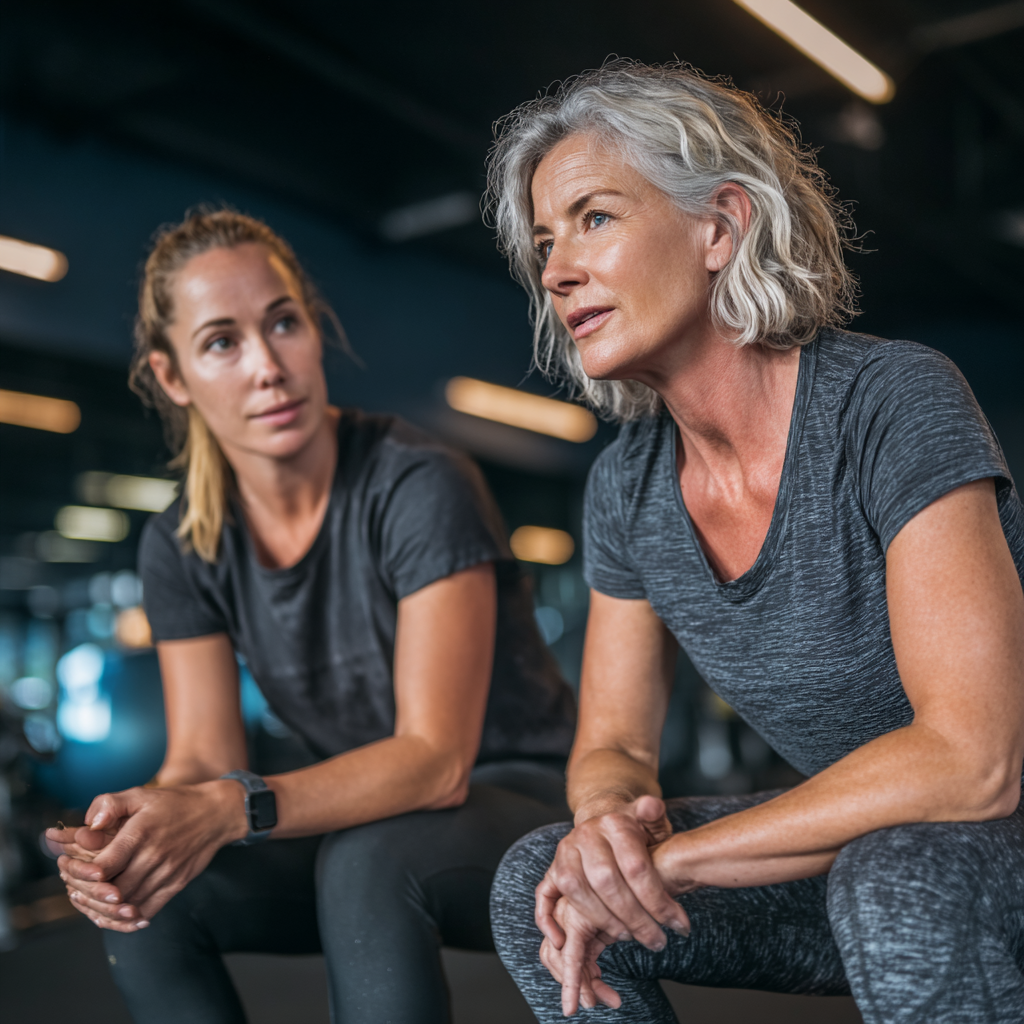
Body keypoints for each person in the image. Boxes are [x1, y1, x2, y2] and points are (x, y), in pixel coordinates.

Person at [484, 61, 1024, 1023]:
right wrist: (608, 832)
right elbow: (610, 741)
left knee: (893, 878)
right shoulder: (626, 485)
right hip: (862, 849)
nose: (558, 267)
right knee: (545, 884)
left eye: (594, 218)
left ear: (720, 227)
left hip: (987, 833)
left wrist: (677, 861)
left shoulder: (891, 402)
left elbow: (969, 761)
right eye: (544, 241)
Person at [47, 209, 576, 1024]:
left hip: (519, 802)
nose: (268, 365)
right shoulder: (183, 541)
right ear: (173, 376)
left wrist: (232, 804)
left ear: (314, 329)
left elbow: (436, 762)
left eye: (283, 323)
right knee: (150, 887)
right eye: (222, 341)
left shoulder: (416, 484)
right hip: (360, 811)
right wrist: (128, 831)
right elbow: (205, 757)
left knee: (369, 858)